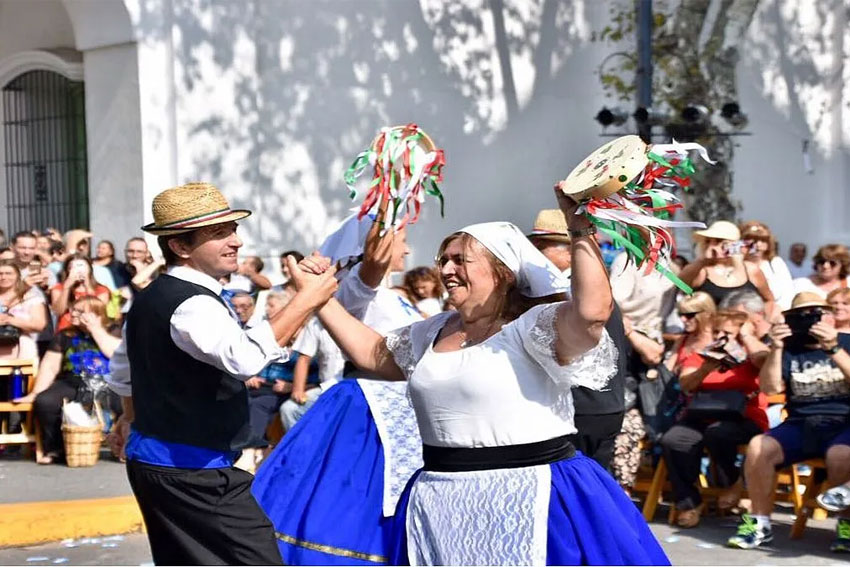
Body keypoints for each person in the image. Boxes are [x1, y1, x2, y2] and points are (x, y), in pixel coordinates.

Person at [293, 191, 669, 565]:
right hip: (441, 497)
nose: (446, 269)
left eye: (461, 260)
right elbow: (373, 354)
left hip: (530, 493)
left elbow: (591, 313)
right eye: (444, 260)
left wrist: (580, 232)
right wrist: (317, 298)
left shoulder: (532, 327)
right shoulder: (434, 332)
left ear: (502, 272)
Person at [104, 182, 338, 565]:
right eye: (218, 233)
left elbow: (123, 372)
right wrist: (306, 297)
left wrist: (128, 420)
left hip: (163, 464)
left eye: (232, 229)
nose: (236, 242)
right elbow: (243, 359)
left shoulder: (156, 296)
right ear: (180, 246)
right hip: (191, 471)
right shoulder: (192, 302)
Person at [253, 211, 425, 566]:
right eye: (401, 238)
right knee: (358, 509)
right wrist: (391, 194)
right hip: (369, 413)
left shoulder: (395, 295)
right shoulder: (359, 288)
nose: (406, 250)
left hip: (405, 413)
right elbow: (373, 264)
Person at [727, 291, 850, 552]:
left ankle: (846, 525)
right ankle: (759, 524)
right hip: (800, 423)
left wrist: (834, 349)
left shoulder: (846, 342)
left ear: (829, 316)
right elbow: (770, 388)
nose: (808, 321)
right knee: (759, 446)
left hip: (843, 423)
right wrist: (777, 348)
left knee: (841, 455)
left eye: (815, 314)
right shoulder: (788, 349)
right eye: (800, 316)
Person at [527, 208, 630, 471]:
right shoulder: (587, 289)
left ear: (570, 250)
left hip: (582, 407)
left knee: (575, 488)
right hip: (596, 406)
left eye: (542, 246)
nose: (535, 253)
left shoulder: (569, 291)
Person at [660, 308, 769, 528]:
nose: (721, 337)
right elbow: (686, 385)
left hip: (743, 417)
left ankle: (732, 482)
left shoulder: (752, 355)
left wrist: (746, 337)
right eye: (717, 331)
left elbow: (766, 359)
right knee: (674, 440)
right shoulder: (701, 355)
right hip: (702, 414)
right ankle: (690, 502)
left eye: (727, 333)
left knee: (718, 433)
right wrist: (706, 368)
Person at [13, 297, 119, 464]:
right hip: (72, 380)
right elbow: (50, 366)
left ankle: (121, 447)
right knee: (45, 401)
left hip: (108, 381)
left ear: (96, 314)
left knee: (125, 402)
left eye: (80, 311)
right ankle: (55, 448)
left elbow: (114, 353)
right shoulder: (64, 335)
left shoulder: (113, 330)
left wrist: (96, 330)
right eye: (73, 309)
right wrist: (35, 392)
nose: (73, 314)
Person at [679, 220, 775, 315]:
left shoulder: (750, 270)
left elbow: (769, 300)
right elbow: (680, 284)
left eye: (720, 241)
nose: (714, 246)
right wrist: (704, 259)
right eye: (708, 241)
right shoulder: (702, 271)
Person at [279, 316, 345, 431]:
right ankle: (301, 448)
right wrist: (298, 390)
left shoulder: (364, 316)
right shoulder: (316, 323)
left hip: (358, 389)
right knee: (289, 409)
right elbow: (304, 358)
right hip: (327, 389)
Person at [0, 260, 48, 360]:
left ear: (18, 276)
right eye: (0, 274)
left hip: (23, 352)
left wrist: (10, 320)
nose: (3, 277)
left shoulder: (31, 298)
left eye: (8, 273)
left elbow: (39, 325)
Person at [740, 221, 794, 310]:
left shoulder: (775, 263)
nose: (758, 245)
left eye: (763, 241)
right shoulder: (739, 265)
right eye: (752, 240)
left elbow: (788, 292)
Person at [50, 255, 111, 330]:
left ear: (89, 268)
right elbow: (58, 311)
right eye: (72, 267)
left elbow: (98, 312)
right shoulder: (59, 288)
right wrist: (66, 288)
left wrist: (88, 286)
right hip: (65, 331)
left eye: (81, 266)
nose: (78, 270)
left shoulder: (101, 290)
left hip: (90, 331)